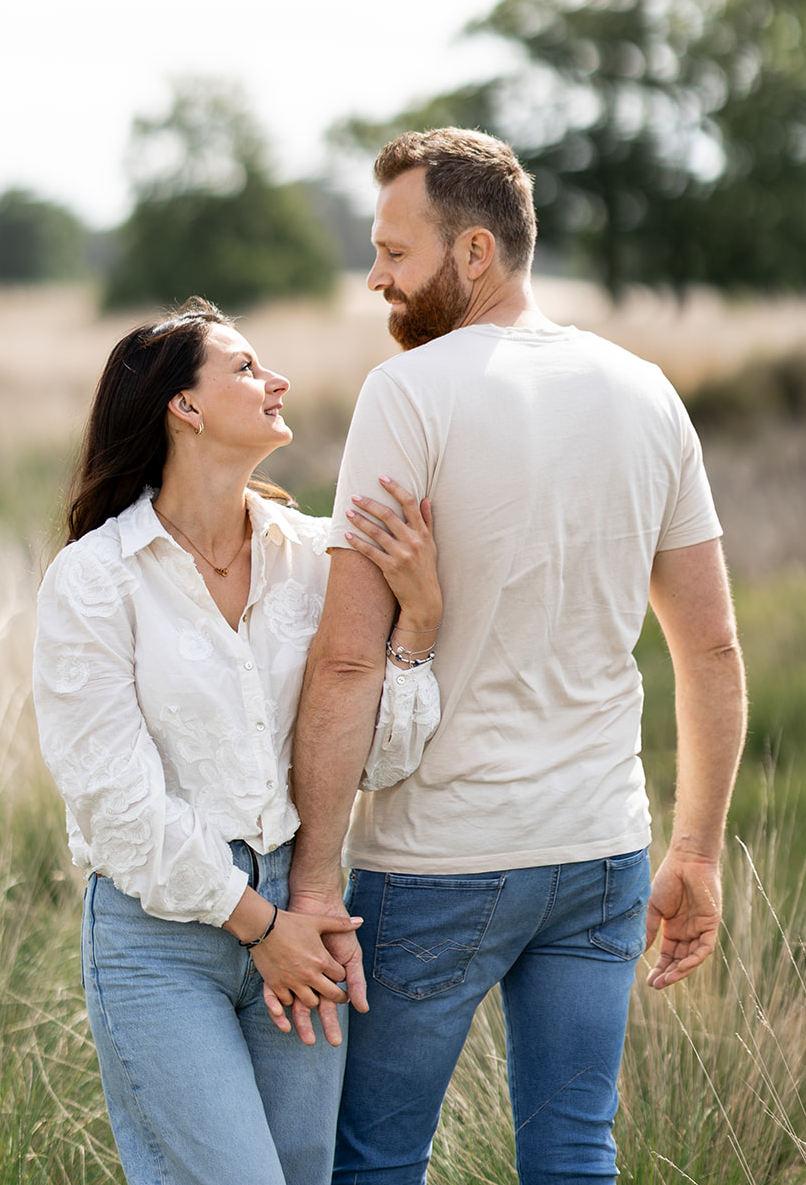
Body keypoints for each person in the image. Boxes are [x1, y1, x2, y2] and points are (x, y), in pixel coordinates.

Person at [282, 129, 748, 1185]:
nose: (375, 277)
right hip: (600, 852)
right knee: (574, 1150)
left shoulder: (405, 397)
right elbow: (710, 646)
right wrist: (698, 853)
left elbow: (349, 664)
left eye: (395, 253)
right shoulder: (645, 392)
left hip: (441, 857)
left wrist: (313, 884)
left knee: (374, 1158)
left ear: (475, 251)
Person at [32, 298, 442, 1185]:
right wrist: (259, 926)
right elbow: (115, 803)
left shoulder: (318, 552)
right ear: (183, 406)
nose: (277, 381)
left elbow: (380, 758)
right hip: (162, 938)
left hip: (302, 910)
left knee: (302, 1176)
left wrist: (419, 620)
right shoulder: (95, 579)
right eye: (248, 367)